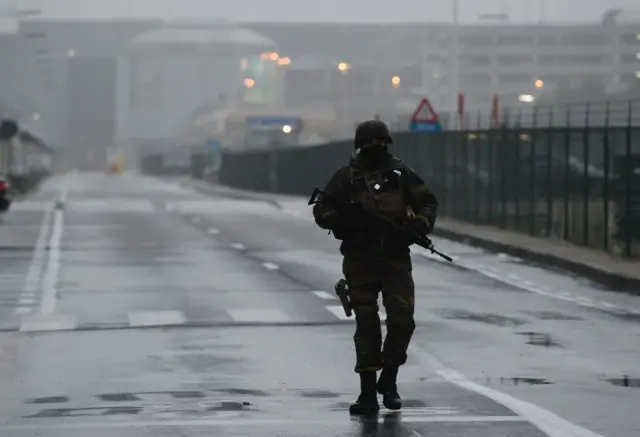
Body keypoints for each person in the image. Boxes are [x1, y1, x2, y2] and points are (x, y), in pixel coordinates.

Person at [312, 120, 438, 415]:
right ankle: (367, 392)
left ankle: (389, 381)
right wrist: (338, 219)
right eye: (370, 145)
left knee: (402, 322)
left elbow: (428, 203)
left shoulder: (401, 175)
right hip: (359, 260)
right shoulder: (346, 178)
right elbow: (321, 207)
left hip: (395, 259)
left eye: (380, 144)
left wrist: (419, 225)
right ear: (360, 147)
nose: (375, 149)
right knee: (367, 326)